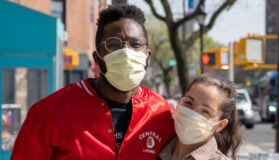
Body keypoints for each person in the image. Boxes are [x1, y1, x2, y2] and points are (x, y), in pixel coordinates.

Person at [11, 4, 175, 160]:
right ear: (97, 58)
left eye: (135, 44)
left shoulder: (162, 114)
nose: (126, 52)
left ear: (148, 56)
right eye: (113, 44)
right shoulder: (49, 112)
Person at [158, 72, 242, 160]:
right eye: (189, 102)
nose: (192, 115)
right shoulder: (154, 149)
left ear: (220, 125)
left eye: (206, 111)